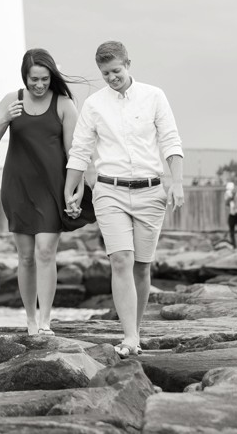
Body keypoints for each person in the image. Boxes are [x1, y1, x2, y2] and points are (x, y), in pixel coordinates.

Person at [64, 41, 184, 359]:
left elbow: (171, 139)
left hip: (151, 191)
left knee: (142, 268)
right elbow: (80, 149)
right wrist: (71, 188)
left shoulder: (154, 96)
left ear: (128, 64)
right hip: (109, 190)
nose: (112, 77)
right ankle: (129, 337)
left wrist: (177, 183)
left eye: (116, 71)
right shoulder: (93, 104)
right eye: (105, 74)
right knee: (121, 261)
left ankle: (136, 330)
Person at [0, 48, 80, 336]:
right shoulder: (12, 100)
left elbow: (74, 152)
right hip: (18, 187)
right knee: (25, 257)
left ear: (52, 77)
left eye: (45, 79)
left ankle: (46, 321)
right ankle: (30, 321)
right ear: (24, 77)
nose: (39, 85)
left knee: (46, 251)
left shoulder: (64, 104)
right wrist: (5, 119)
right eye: (33, 79)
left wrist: (73, 191)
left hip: (51, 187)